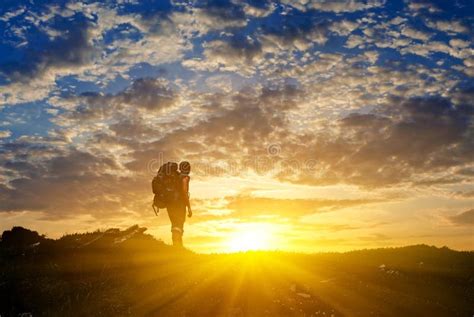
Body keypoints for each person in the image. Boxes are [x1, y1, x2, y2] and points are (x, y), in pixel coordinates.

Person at [166, 161, 192, 247]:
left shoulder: (174, 177)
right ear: (188, 169)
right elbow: (184, 192)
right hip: (179, 204)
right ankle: (178, 247)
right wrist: (189, 207)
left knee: (174, 225)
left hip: (170, 204)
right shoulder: (185, 178)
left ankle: (176, 245)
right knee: (179, 225)